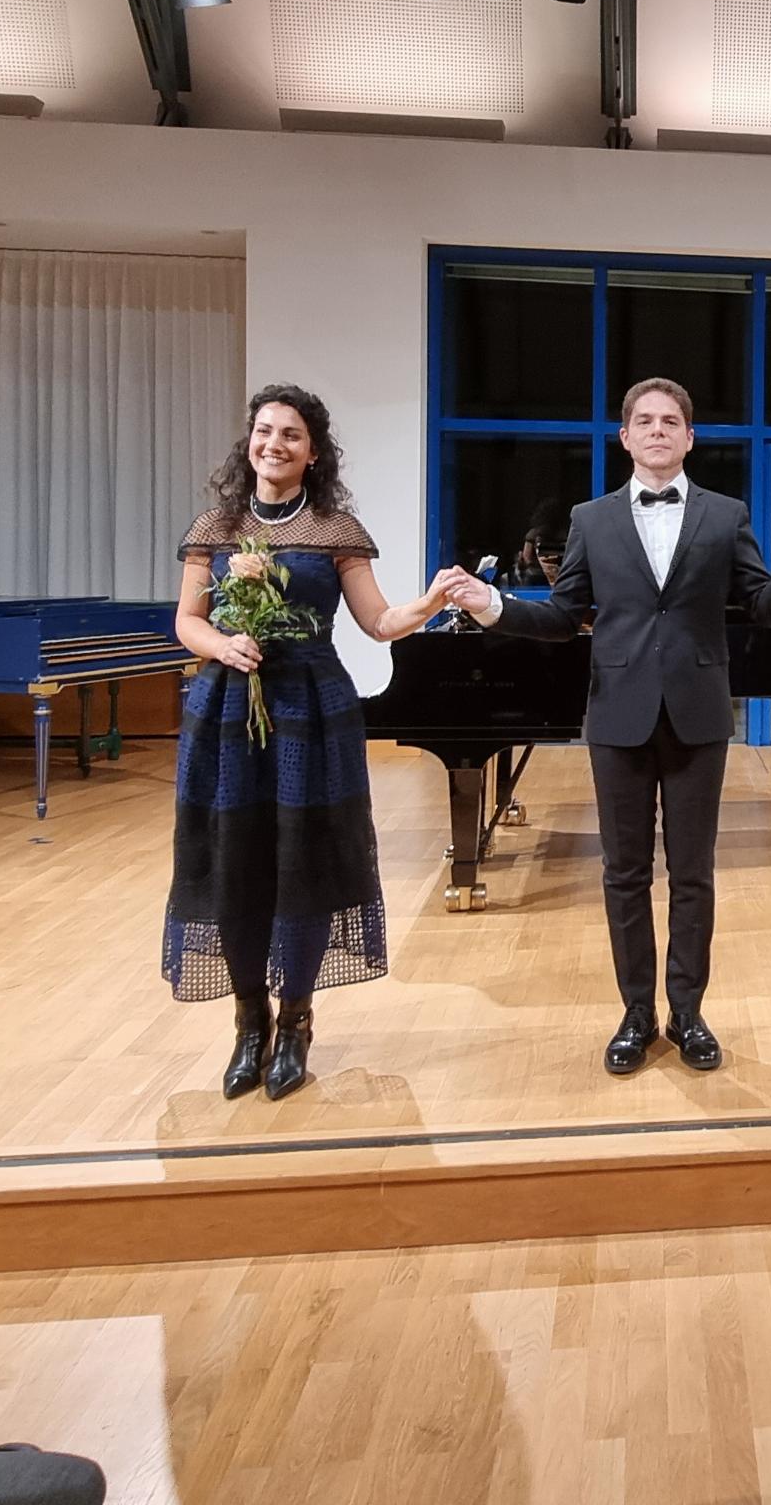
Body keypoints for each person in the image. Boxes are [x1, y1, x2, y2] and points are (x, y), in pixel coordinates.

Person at [442, 378, 771, 1075]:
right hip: (617, 714)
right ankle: (635, 1013)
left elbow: (763, 608)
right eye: (644, 421)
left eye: (671, 421)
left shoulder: (726, 515)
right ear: (625, 438)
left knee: (694, 874)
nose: (658, 430)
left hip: (698, 715)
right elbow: (562, 617)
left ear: (690, 437)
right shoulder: (590, 520)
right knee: (623, 873)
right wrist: (492, 606)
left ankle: (688, 1013)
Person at [167, 386, 461, 1099]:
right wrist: (222, 644)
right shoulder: (216, 527)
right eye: (265, 431)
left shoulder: (336, 531)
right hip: (228, 707)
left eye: (291, 435)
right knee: (233, 860)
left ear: (314, 452)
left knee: (304, 861)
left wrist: (427, 605)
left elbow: (379, 623)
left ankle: (296, 1022)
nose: (275, 444)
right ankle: (250, 1023)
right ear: (249, 442)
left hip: (312, 707)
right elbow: (187, 621)